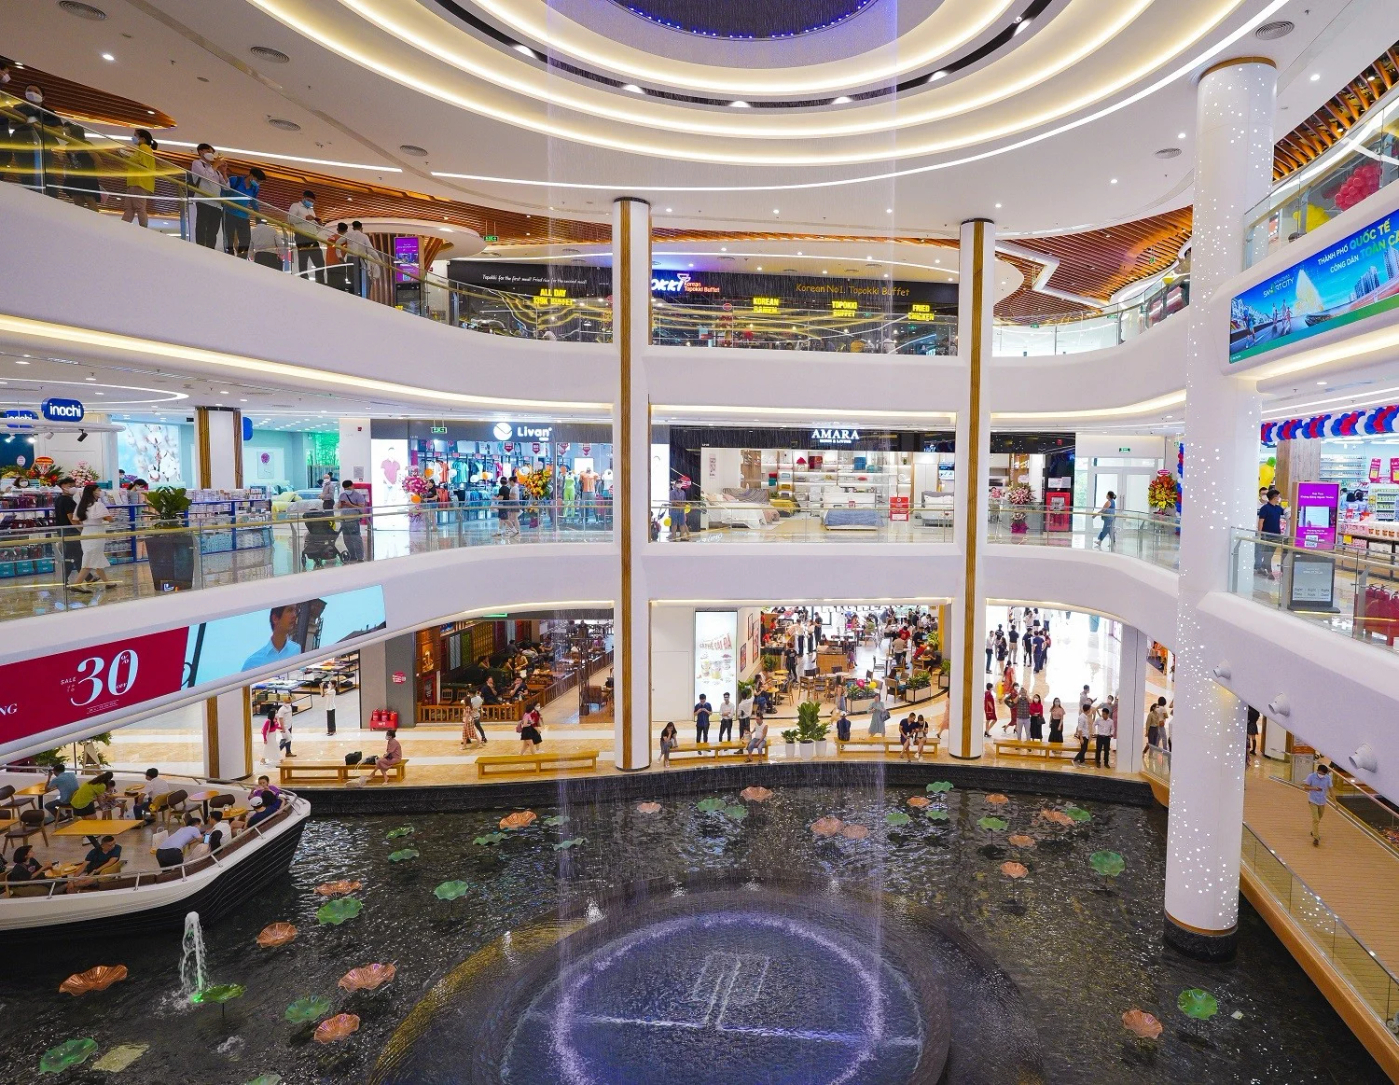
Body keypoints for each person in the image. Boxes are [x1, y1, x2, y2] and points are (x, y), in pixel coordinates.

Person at [71, 482, 114, 589]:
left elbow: (75, 520)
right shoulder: (98, 505)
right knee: (90, 560)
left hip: (86, 534)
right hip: (97, 534)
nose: (100, 492)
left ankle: (107, 582)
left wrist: (83, 529)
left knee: (95, 558)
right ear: (93, 492)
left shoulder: (81, 506)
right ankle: (76, 584)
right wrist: (109, 518)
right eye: (98, 490)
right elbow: (109, 519)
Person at [189, 143, 227, 248]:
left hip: (217, 204)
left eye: (212, 152)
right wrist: (216, 165)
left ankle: (211, 249)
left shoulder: (216, 171)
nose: (210, 154)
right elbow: (206, 176)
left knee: (213, 229)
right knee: (202, 225)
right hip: (203, 200)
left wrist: (224, 172)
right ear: (200, 151)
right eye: (208, 151)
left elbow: (226, 187)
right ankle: (200, 247)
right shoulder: (197, 163)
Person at [222, 166, 266, 257]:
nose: (258, 183)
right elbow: (224, 191)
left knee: (246, 240)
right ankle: (228, 257)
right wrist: (224, 203)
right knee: (229, 238)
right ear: (251, 176)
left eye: (260, 182)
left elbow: (254, 202)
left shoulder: (255, 188)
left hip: (243, 216)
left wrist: (258, 214)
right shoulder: (235, 180)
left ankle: (241, 260)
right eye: (257, 180)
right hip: (229, 213)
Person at [243, 605, 303, 670]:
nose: (294, 615)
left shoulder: (296, 650)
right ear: (275, 618)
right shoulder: (252, 663)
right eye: (289, 610)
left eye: (295, 611)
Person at [119, 128, 158, 227]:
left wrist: (128, 156)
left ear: (143, 139)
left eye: (135, 136)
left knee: (138, 208)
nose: (133, 138)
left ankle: (142, 230)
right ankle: (123, 228)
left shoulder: (144, 148)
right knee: (130, 208)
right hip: (135, 182)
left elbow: (142, 163)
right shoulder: (142, 149)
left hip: (139, 182)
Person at [287, 190, 326, 283]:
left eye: (312, 202)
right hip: (302, 235)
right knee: (303, 260)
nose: (311, 203)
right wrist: (304, 218)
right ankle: (304, 281)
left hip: (312, 237)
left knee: (320, 262)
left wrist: (319, 224)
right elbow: (290, 219)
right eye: (309, 200)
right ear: (303, 198)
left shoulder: (311, 210)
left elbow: (312, 225)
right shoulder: (296, 206)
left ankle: (320, 282)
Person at [51, 477, 81, 588]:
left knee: (72, 555)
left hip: (62, 530)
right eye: (70, 486)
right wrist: (81, 530)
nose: (73, 488)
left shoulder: (58, 499)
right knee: (75, 555)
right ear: (63, 487)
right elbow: (71, 518)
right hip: (70, 531)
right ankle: (66, 580)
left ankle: (85, 577)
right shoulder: (68, 500)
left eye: (74, 486)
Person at [1256, 488, 1285, 579]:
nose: (1279, 498)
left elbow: (1285, 513)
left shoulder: (1278, 508)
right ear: (1274, 497)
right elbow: (1261, 521)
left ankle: (1263, 567)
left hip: (1276, 534)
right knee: (1268, 553)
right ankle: (1269, 571)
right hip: (1267, 534)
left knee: (1271, 553)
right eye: (1278, 496)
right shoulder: (1265, 508)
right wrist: (1260, 533)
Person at [338, 482, 366, 562]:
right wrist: (341, 505)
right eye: (345, 489)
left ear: (352, 486)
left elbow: (361, 508)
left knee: (356, 539)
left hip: (353, 520)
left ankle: (360, 557)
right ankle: (352, 555)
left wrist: (350, 505)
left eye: (348, 488)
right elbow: (338, 507)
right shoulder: (342, 495)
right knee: (347, 539)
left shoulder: (358, 496)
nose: (347, 490)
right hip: (343, 520)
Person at [1305, 763, 1332, 845]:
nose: (1321, 775)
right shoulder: (1311, 776)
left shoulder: (1327, 778)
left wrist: (1335, 802)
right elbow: (1305, 787)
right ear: (1317, 771)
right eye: (1320, 773)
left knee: (1319, 818)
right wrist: (1314, 788)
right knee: (1316, 819)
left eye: (1323, 774)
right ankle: (1316, 838)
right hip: (1313, 801)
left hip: (1322, 802)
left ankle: (1314, 831)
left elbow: (1331, 790)